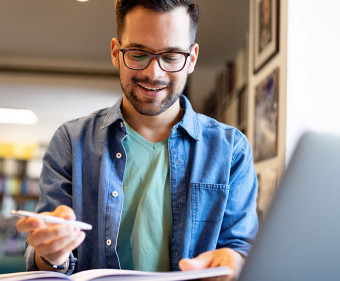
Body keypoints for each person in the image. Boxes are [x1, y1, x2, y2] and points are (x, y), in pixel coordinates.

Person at [16, 0, 258, 279]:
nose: (153, 73)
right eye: (138, 53)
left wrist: (236, 263)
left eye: (170, 57)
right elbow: (44, 264)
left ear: (191, 59)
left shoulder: (231, 151)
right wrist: (52, 253)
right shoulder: (70, 142)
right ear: (115, 52)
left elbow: (241, 250)